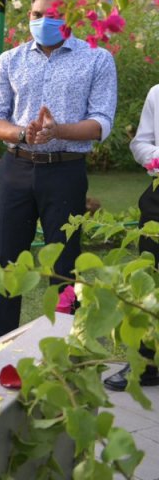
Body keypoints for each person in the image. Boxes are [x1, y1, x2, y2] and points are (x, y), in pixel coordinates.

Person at [0, 0, 117, 341]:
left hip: (66, 171)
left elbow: (101, 122)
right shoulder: (9, 60)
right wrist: (23, 134)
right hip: (17, 168)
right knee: (8, 261)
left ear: (73, 17)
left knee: (65, 264)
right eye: (36, 15)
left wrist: (58, 130)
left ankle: (64, 347)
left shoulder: (97, 59)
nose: (43, 21)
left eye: (54, 16)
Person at [104, 86, 159, 391]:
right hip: (158, 193)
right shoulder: (156, 93)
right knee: (149, 278)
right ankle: (146, 364)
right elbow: (140, 143)